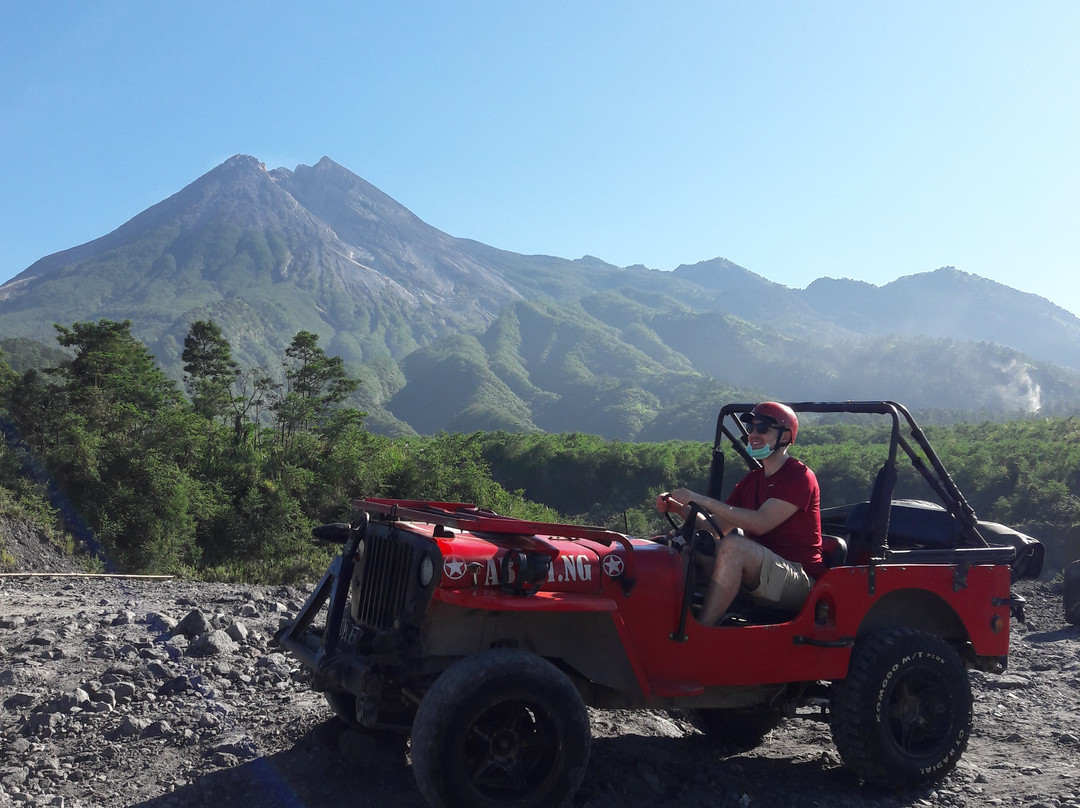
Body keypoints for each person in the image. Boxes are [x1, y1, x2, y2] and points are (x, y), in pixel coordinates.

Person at [657, 402, 824, 626]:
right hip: (761, 572)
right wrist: (679, 508)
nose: (753, 434)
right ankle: (670, 622)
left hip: (800, 579)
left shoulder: (799, 476)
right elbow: (714, 529)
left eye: (763, 428)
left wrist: (702, 499)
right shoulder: (751, 482)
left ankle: (702, 632)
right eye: (751, 427)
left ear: (785, 437)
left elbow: (761, 523)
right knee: (685, 545)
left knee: (734, 547)